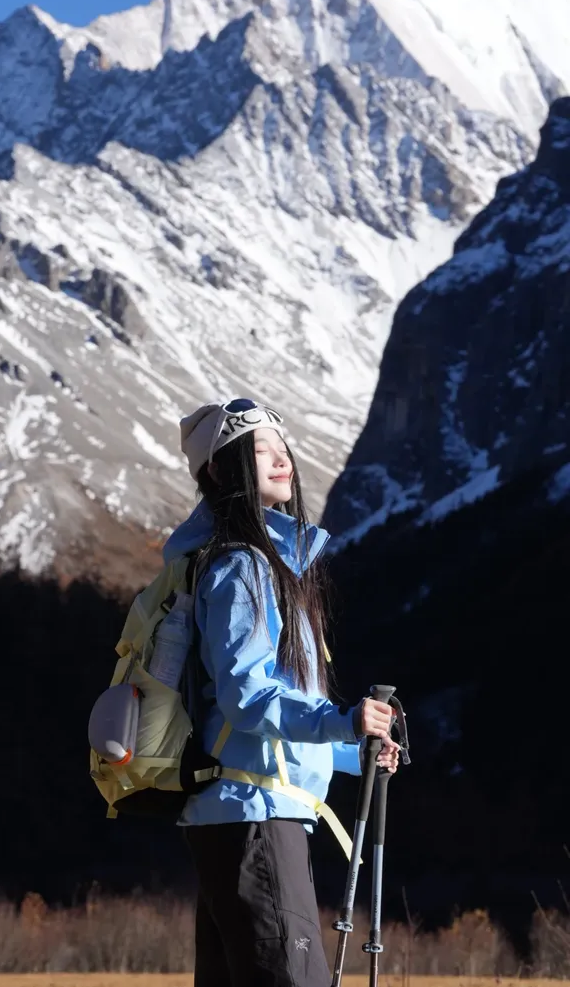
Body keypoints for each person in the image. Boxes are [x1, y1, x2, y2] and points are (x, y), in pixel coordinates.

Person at [164, 397, 400, 987]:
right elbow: (247, 699)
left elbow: (246, 716)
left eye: (281, 447)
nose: (281, 460)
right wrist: (343, 720)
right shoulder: (242, 567)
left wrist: (356, 752)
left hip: (236, 813)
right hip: (256, 816)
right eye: (259, 451)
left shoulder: (244, 563)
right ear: (219, 471)